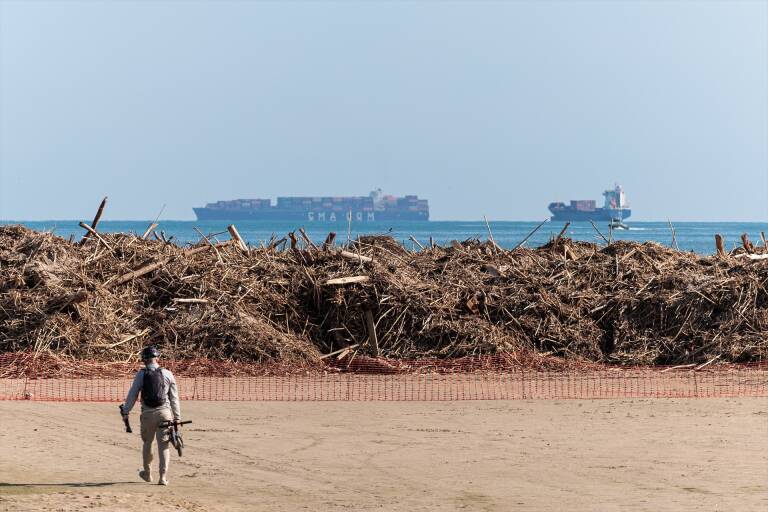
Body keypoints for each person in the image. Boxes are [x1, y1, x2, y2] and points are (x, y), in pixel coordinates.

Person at [121, 345, 181, 486]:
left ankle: (147, 474)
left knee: (148, 443)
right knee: (164, 445)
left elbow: (133, 394)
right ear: (157, 358)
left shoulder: (141, 374)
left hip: (147, 414)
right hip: (164, 413)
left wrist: (126, 410)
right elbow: (174, 398)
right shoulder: (168, 374)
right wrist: (177, 417)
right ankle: (163, 477)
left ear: (144, 360)